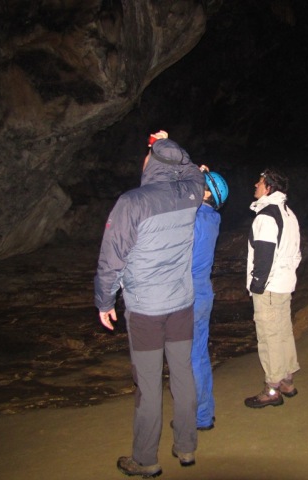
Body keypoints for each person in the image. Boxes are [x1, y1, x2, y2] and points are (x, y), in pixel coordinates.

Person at [94, 131, 204, 478]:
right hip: (181, 304)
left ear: (153, 162)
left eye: (150, 155)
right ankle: (186, 447)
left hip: (145, 310)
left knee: (149, 384)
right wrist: (171, 146)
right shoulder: (190, 194)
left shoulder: (133, 201)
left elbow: (111, 257)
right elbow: (195, 174)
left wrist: (104, 299)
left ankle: (145, 459)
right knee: (183, 376)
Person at [244, 167, 302, 408]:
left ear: (268, 187)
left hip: (269, 287)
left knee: (269, 337)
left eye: (259, 182)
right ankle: (287, 380)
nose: (255, 186)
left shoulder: (266, 216)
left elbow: (264, 256)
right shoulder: (289, 213)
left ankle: (272, 389)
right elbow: (296, 251)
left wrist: (257, 286)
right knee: (283, 332)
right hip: (284, 284)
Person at [191, 168, 228, 430]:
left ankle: (195, 416)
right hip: (203, 293)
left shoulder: (194, 221)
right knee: (199, 355)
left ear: (205, 193)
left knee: (190, 358)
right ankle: (203, 414)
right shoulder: (211, 218)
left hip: (189, 296)